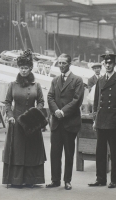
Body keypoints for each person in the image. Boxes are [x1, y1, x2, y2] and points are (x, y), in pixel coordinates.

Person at [2, 50, 47, 188]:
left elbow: (41, 102)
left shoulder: (36, 85)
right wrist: (10, 116)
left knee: (32, 151)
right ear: (18, 68)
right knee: (18, 151)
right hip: (16, 123)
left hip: (31, 123)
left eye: (26, 68)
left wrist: (34, 115)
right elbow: (7, 103)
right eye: (21, 68)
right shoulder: (12, 85)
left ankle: (30, 179)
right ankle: (16, 179)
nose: (23, 70)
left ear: (30, 69)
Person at [89, 53, 116, 189]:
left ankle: (114, 180)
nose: (107, 65)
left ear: (114, 64)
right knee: (100, 152)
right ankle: (100, 178)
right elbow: (96, 102)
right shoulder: (100, 80)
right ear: (103, 65)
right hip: (101, 121)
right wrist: (95, 119)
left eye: (110, 63)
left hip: (114, 121)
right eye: (105, 63)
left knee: (114, 152)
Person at [46, 54, 84, 190]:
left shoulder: (77, 80)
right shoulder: (55, 80)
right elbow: (50, 96)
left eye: (63, 63)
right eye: (59, 63)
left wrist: (63, 111)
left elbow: (77, 99)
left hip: (70, 123)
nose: (61, 65)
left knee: (69, 153)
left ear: (69, 64)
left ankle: (67, 180)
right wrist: (56, 110)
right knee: (55, 153)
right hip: (56, 123)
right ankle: (55, 180)